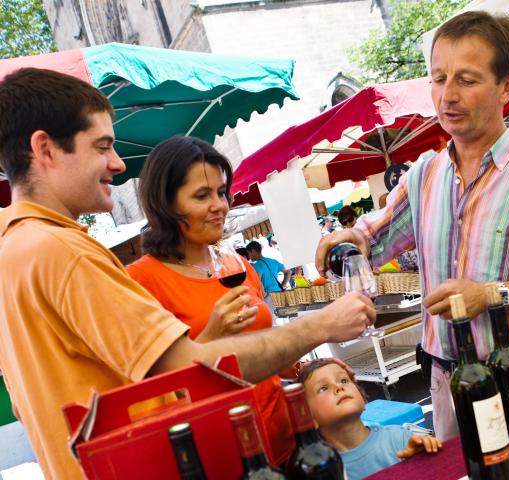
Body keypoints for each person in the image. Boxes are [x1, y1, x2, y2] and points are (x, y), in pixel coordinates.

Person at [0, 68, 376, 479]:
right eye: (102, 146)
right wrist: (320, 326)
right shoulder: (64, 251)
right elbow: (185, 370)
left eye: (220, 192)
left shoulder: (13, 251)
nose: (117, 162)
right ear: (46, 149)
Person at [315, 11, 509, 441]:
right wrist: (350, 238)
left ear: (507, 85)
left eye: (466, 80)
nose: (447, 95)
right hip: (447, 382)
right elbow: (373, 237)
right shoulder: (425, 175)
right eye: (438, 78)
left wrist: (490, 295)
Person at [126, 137, 296, 463]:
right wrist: (212, 335)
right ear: (166, 205)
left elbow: (263, 346)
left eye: (221, 192)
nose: (220, 205)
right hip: (221, 455)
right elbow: (155, 391)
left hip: (284, 439)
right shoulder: (141, 280)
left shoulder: (238, 264)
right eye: (202, 195)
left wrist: (305, 367)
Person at [298, 359, 441, 480]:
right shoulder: (318, 469)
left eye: (343, 380)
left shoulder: (402, 440)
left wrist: (424, 455)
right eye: (323, 388)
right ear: (308, 418)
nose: (338, 387)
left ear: (362, 398)